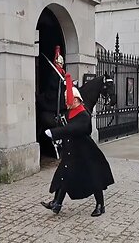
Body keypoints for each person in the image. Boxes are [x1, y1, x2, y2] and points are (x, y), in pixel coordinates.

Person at [41, 73, 115, 217]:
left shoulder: (83, 114)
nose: (65, 102)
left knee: (94, 177)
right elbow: (68, 128)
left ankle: (100, 205)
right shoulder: (71, 112)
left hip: (85, 151)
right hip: (72, 151)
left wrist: (56, 132)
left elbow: (73, 129)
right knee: (63, 174)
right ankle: (56, 203)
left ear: (76, 100)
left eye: (67, 99)